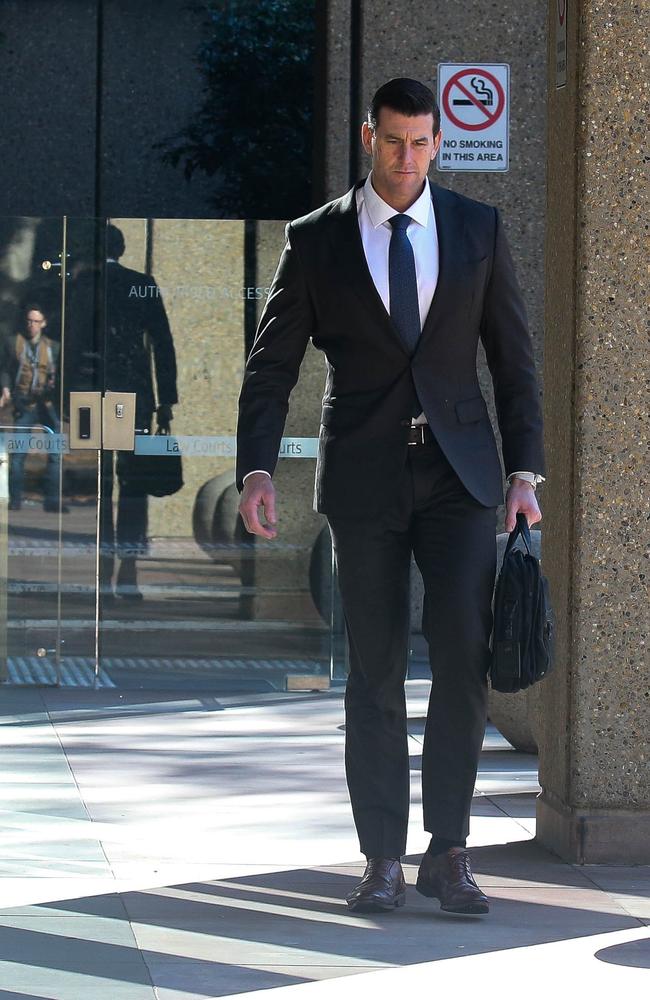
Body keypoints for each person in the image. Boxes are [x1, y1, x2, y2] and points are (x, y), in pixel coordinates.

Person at [236, 78, 545, 915]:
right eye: (394, 142)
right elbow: (272, 365)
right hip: (365, 482)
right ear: (368, 137)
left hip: (461, 479)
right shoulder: (318, 240)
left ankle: (448, 854)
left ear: (437, 144)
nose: (408, 159)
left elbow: (513, 359)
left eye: (422, 144)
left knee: (462, 665)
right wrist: (257, 468)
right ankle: (380, 857)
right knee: (372, 673)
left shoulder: (478, 228)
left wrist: (526, 474)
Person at [4, 302, 67, 512]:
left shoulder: (54, 347)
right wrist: (5, 388)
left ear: (44, 323)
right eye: (29, 321)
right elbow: (5, 369)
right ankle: (15, 499)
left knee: (56, 453)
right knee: (19, 454)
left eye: (36, 321)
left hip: (48, 404)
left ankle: (52, 500)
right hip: (25, 402)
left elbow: (62, 376)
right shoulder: (14, 343)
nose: (32, 325)